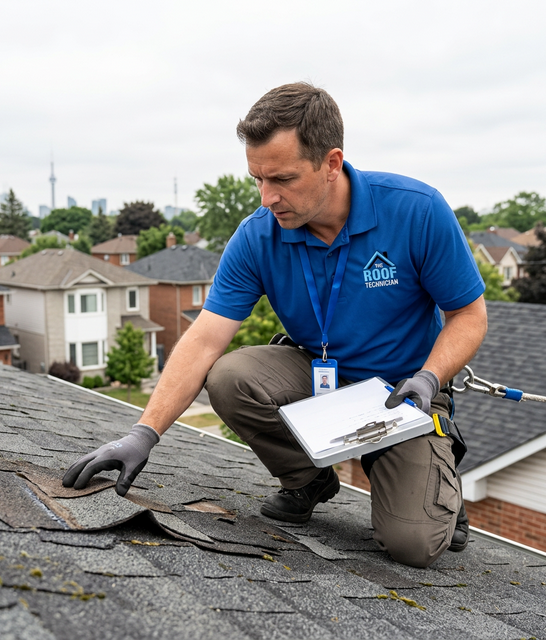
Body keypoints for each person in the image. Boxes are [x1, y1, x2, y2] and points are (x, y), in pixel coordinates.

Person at [63, 82, 487, 568]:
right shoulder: (258, 236)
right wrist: (144, 433)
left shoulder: (416, 211)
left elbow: (469, 316)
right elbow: (204, 339)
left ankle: (436, 480)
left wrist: (431, 376)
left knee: (413, 544)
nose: (267, 198)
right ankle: (308, 478)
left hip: (404, 393)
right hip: (318, 372)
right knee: (229, 376)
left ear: (331, 163)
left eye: (282, 179)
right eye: (257, 180)